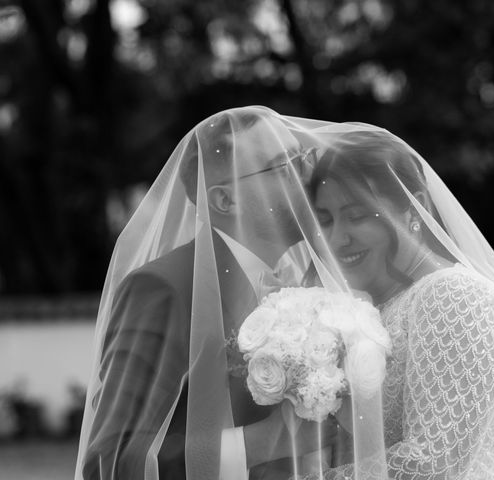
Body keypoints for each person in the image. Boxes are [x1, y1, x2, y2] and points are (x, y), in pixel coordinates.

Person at [75, 106, 338, 480]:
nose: (309, 176)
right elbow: (112, 460)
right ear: (224, 201)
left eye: (304, 158)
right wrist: (263, 443)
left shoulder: (308, 281)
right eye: (286, 166)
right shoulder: (166, 288)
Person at [301, 129, 494, 479]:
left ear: (416, 208)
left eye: (358, 215)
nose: (338, 238)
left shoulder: (453, 296)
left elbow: (432, 462)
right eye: (326, 220)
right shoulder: (377, 309)